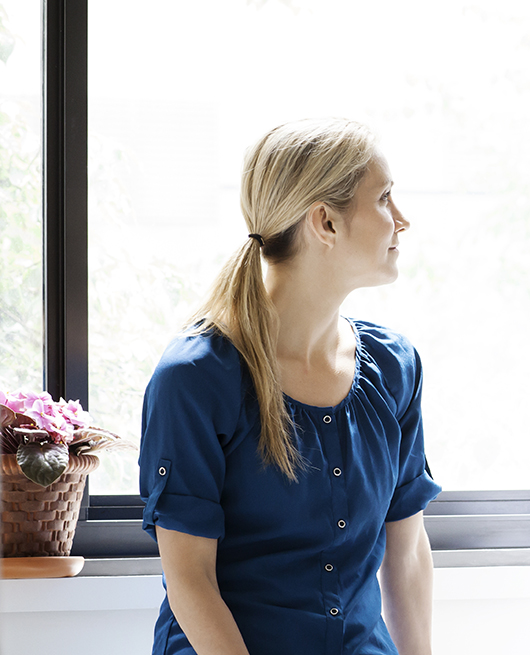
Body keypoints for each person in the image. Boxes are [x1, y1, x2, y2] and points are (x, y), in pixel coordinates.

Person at [138, 118, 441, 655]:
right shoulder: (194, 378)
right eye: (384, 198)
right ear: (325, 221)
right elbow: (191, 580)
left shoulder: (395, 367)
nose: (402, 219)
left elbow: (408, 552)